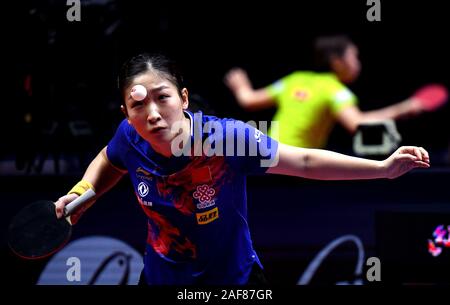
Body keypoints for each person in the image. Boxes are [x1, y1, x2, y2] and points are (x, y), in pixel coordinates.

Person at [55, 53, 430, 285]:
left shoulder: (228, 138)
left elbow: (303, 160)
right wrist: (81, 191)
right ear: (126, 114)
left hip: (234, 281)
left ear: (183, 97)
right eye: (138, 106)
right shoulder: (129, 136)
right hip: (160, 278)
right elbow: (109, 158)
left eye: (163, 97)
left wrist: (382, 167)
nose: (152, 113)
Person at [224, 34, 426, 149]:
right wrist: (404, 108)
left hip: (265, 155)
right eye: (354, 57)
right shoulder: (336, 90)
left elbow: (248, 100)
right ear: (337, 62)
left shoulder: (294, 80)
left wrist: (240, 83)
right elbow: (357, 125)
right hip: (296, 164)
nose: (358, 63)